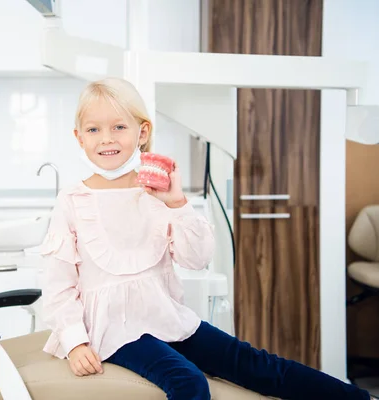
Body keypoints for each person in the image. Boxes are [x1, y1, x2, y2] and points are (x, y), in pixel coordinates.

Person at [39, 77, 375, 400]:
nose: (106, 138)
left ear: (142, 133)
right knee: (189, 382)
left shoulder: (158, 192)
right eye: (94, 129)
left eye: (119, 127)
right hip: (114, 330)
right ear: (79, 137)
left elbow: (196, 259)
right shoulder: (72, 200)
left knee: (260, 365)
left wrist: (176, 204)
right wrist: (75, 343)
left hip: (167, 317)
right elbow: (59, 286)